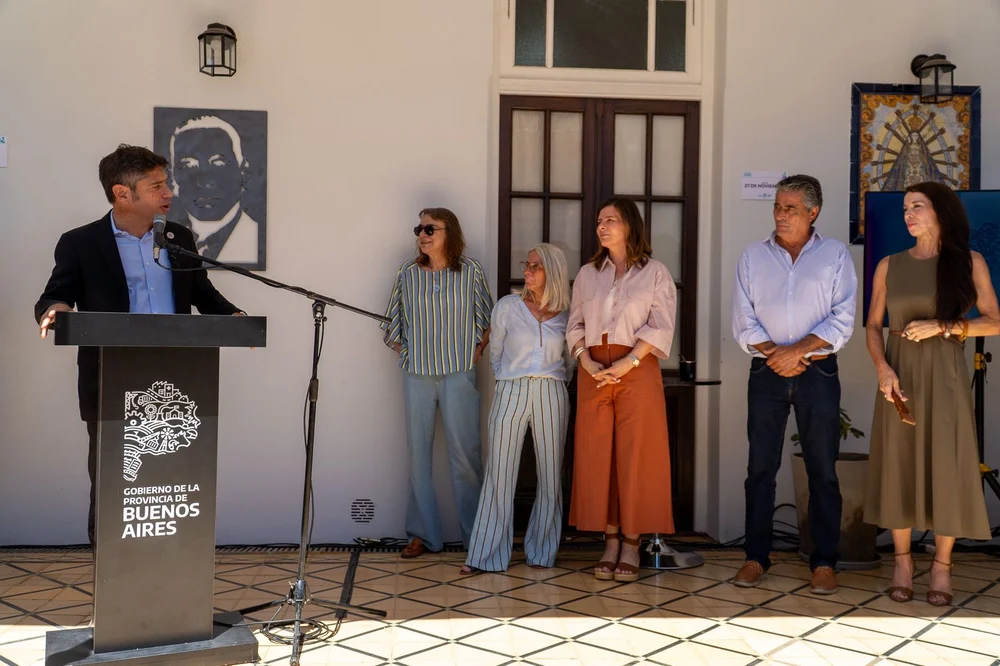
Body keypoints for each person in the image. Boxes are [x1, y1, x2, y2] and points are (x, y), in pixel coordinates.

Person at [34, 144, 244, 548]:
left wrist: (235, 318)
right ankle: (112, 579)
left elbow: (202, 292)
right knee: (115, 479)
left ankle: (172, 566)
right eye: (157, 185)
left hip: (179, 381)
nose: (169, 192)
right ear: (122, 193)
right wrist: (56, 309)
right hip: (111, 380)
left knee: (175, 481)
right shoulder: (81, 242)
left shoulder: (177, 237)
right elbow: (56, 295)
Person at [864, 181, 1000, 606]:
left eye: (917, 206)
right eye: (905, 208)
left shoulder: (968, 262)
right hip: (898, 378)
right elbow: (872, 326)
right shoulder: (889, 264)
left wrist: (944, 326)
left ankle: (942, 566)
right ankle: (903, 562)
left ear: (940, 212)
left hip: (945, 377)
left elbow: (994, 321)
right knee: (900, 463)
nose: (908, 214)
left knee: (946, 463)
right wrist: (882, 368)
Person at [731, 174, 857, 594]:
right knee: (760, 469)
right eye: (777, 207)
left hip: (817, 373)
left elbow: (842, 317)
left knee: (823, 470)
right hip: (766, 373)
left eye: (790, 209)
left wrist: (797, 351)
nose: (781, 215)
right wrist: (778, 355)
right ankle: (755, 557)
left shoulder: (835, 255)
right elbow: (743, 320)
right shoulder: (752, 256)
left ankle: (823, 562)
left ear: (813, 212)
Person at [566, 196, 676, 583]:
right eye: (599, 220)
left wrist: (627, 363)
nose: (602, 225)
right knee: (598, 455)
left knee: (636, 456)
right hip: (593, 370)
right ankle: (608, 540)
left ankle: (632, 541)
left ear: (629, 225)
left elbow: (661, 324)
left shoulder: (655, 273)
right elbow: (575, 325)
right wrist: (587, 361)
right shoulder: (587, 274)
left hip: (638, 368)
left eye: (610, 219)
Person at [382, 207, 493, 558]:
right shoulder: (408, 273)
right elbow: (391, 322)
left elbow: (487, 319)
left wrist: (475, 350)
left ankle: (476, 534)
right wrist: (406, 350)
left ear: (450, 232)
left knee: (466, 456)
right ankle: (422, 533)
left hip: (459, 374)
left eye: (430, 228)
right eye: (419, 228)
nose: (423, 234)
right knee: (418, 456)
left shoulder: (471, 271)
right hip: (417, 374)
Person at [461, 244, 571, 574]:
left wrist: (553, 381)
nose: (528, 270)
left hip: (552, 391)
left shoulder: (567, 314)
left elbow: (571, 360)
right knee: (500, 472)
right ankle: (485, 555)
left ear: (553, 272)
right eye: (527, 264)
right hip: (511, 389)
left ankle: (541, 553)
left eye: (536, 266)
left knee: (551, 476)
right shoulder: (508, 307)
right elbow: (495, 353)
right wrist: (508, 379)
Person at [168, 115, 260, 265]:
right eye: (188, 165)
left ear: (243, 172)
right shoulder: (163, 242)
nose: (204, 182)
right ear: (172, 178)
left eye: (218, 163)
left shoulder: (257, 239)